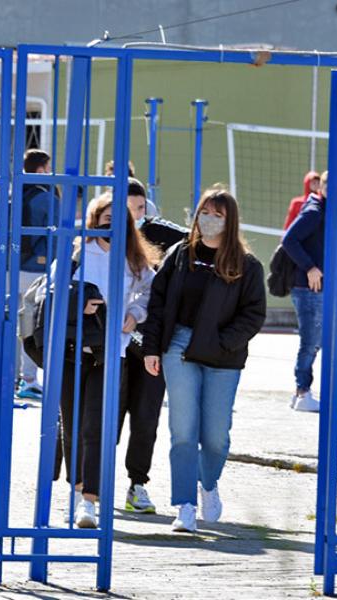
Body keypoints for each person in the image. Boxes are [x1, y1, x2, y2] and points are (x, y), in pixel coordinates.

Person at [143, 185, 266, 533]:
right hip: (178, 348)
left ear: (231, 221)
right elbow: (157, 303)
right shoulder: (180, 254)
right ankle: (184, 505)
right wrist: (152, 347)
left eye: (218, 215)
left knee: (216, 437)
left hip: (223, 357)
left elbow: (254, 313)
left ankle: (207, 484)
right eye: (205, 213)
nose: (209, 220)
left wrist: (223, 342)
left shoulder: (247, 265)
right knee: (182, 430)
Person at [58, 192, 156, 529]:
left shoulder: (134, 258)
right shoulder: (76, 251)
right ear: (94, 219)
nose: (110, 223)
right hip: (73, 350)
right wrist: (78, 306)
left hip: (111, 352)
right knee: (71, 425)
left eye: (117, 218)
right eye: (104, 216)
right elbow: (54, 291)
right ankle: (78, 489)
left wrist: (135, 311)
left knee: (95, 427)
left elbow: (148, 290)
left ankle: (90, 502)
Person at [121, 177, 187, 514]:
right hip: (114, 343)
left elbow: (197, 242)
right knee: (105, 416)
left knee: (146, 418)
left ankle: (138, 484)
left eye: (140, 208)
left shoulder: (164, 234)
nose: (135, 216)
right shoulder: (102, 234)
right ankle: (90, 487)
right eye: (128, 209)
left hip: (152, 341)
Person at [282, 170, 327, 413]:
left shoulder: (329, 211)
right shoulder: (313, 212)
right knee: (310, 342)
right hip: (308, 288)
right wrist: (310, 267)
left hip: (318, 288)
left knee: (315, 342)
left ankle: (301, 391)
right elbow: (289, 240)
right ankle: (302, 391)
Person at [17, 149, 59, 400]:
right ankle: (29, 379)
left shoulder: (11, 194)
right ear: (41, 169)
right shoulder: (46, 197)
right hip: (37, 270)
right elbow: (57, 236)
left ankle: (9, 377)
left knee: (12, 324)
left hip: (11, 267)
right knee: (31, 327)